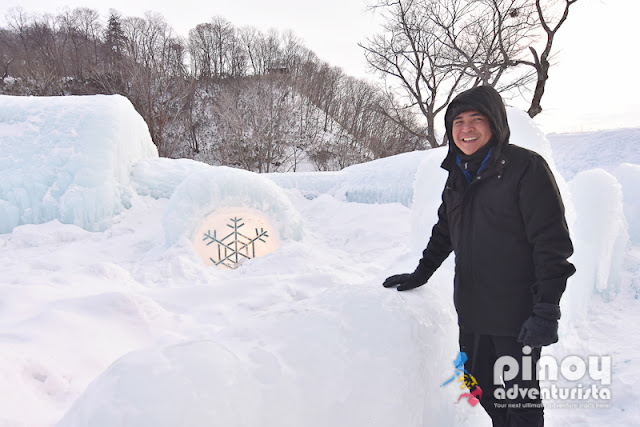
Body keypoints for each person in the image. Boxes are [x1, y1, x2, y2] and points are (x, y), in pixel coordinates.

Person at [382, 85, 575, 427]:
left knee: (520, 396)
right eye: (458, 121)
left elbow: (552, 245)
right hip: (473, 308)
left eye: (476, 119)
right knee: (477, 381)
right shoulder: (458, 172)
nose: (466, 128)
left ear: (495, 124)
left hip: (517, 313)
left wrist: (546, 309)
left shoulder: (526, 169)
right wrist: (420, 273)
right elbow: (446, 231)